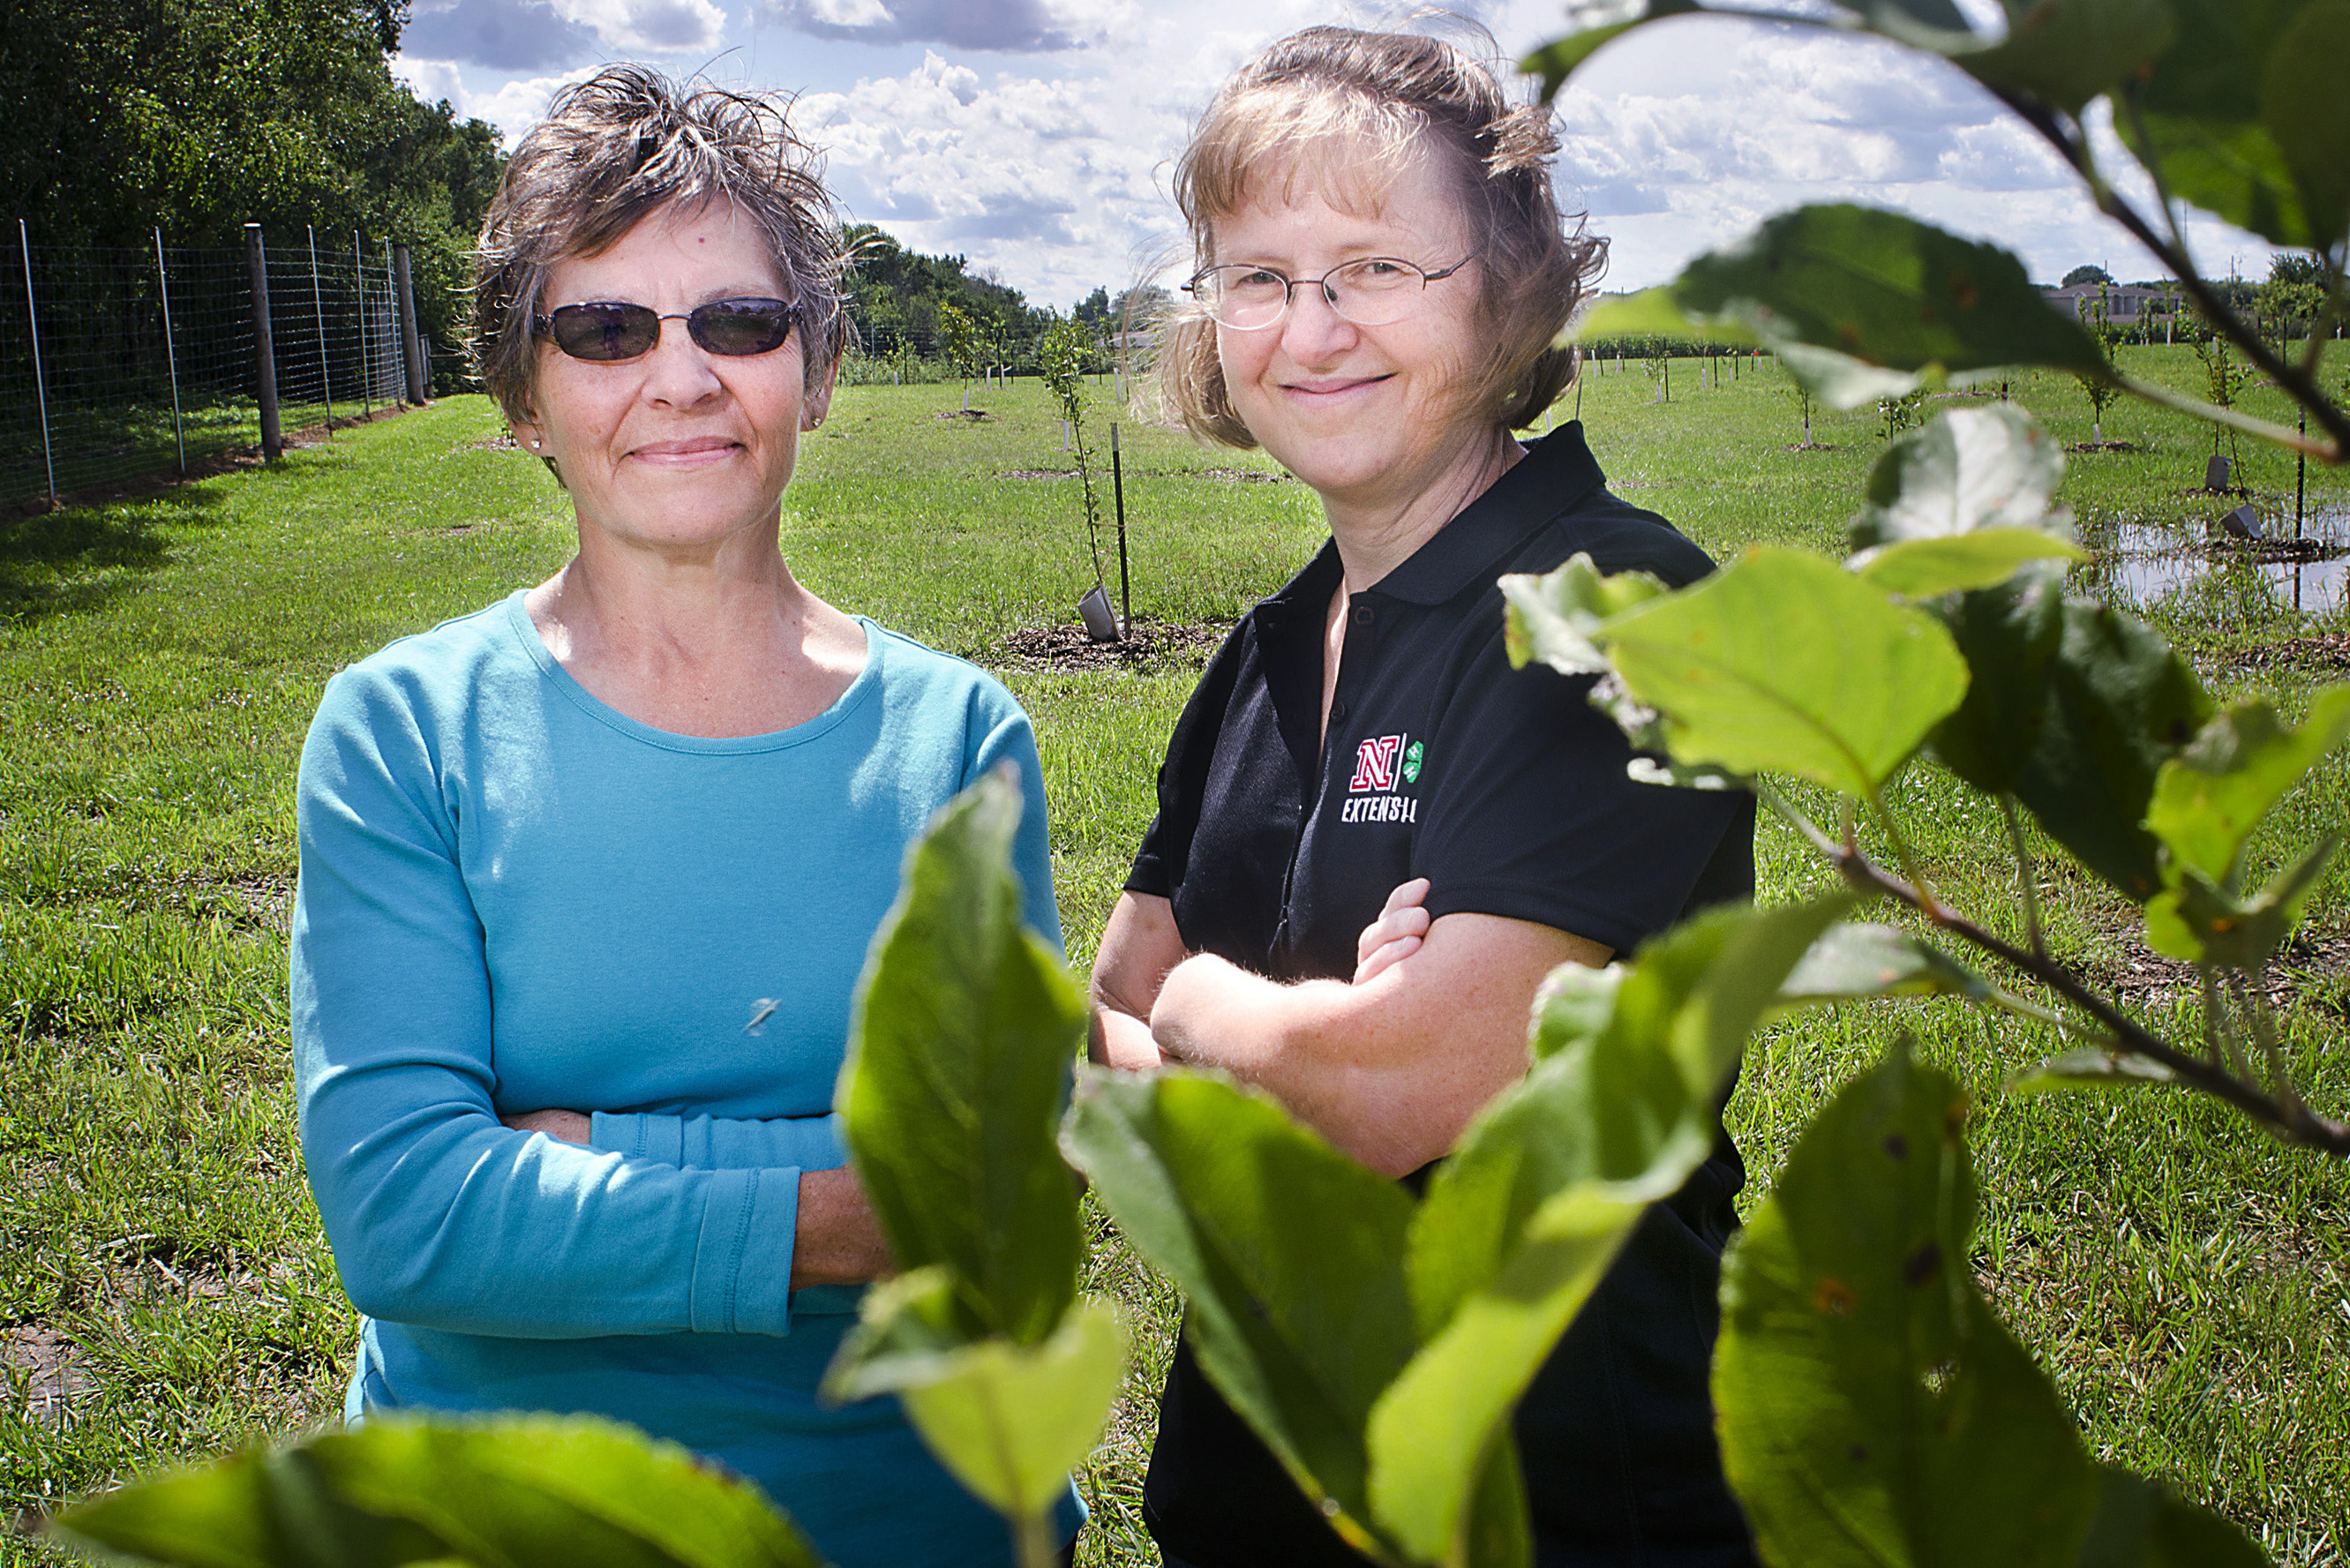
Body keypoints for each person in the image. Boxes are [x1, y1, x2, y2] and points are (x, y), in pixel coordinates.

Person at [289, 67, 1075, 1568]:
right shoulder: (403, 734)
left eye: (739, 320)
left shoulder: (958, 740)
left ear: (815, 369)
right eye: (604, 329)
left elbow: (999, 1189)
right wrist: (839, 1202)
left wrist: (576, 1149)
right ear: (523, 396)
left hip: (897, 1519)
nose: (681, 375)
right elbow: (407, 1215)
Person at [1087, 26, 1758, 1568]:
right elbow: (1096, 1033)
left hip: (1556, 1497)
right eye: (1261, 277)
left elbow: (1392, 1086)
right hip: (1252, 1495)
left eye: (1376, 268)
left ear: (1508, 290)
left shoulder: (1611, 610)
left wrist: (1207, 1008)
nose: (1311, 328)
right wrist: (1301, 1046)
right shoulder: (1266, 648)